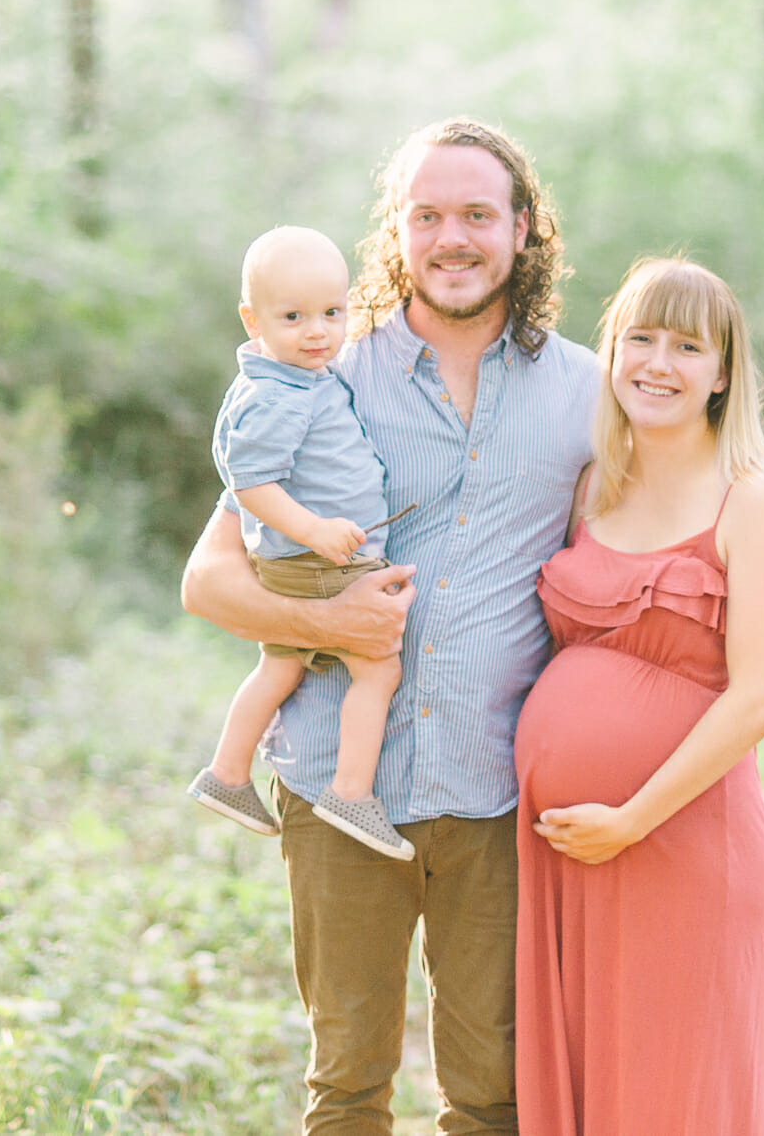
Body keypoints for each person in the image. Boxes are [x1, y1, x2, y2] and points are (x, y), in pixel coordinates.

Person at [181, 118, 596, 1135]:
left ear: (521, 226)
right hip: (333, 785)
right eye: (426, 216)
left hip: (495, 791)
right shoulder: (324, 374)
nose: (451, 237)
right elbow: (207, 580)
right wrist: (326, 617)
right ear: (396, 233)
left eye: (475, 214)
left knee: (494, 1094)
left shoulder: (588, 393)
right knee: (348, 1087)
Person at [514, 255, 764, 1136]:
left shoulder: (752, 496)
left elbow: (757, 700)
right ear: (610, 352)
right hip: (567, 856)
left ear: (723, 373)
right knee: (593, 1092)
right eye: (639, 338)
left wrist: (632, 817)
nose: (658, 362)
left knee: (676, 1100)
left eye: (687, 345)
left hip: (681, 847)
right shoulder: (593, 483)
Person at [187, 224, 414, 861]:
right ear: (252, 318)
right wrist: (315, 529)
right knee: (378, 665)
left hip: (304, 558)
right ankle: (350, 790)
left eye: (332, 314)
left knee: (281, 666)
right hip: (316, 560)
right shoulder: (277, 394)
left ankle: (228, 774)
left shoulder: (294, 378)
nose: (318, 332)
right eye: (293, 317)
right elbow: (251, 482)